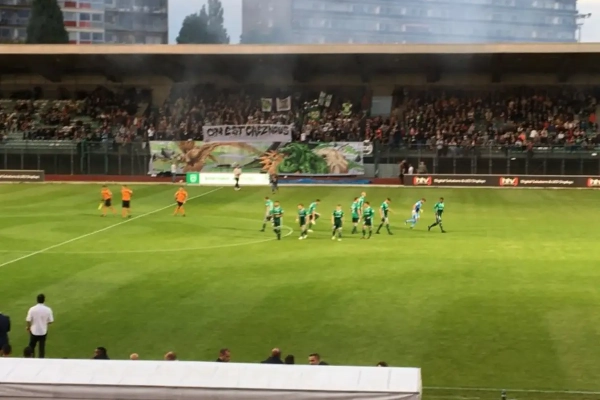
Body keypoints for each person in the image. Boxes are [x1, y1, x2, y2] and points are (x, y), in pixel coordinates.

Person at [26, 294, 54, 359]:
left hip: (34, 331)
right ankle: (41, 360)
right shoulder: (48, 309)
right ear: (44, 300)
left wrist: (28, 327)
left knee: (31, 346)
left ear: (37, 300)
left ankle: (31, 358)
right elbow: (51, 321)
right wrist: (44, 323)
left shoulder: (32, 309)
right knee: (42, 348)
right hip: (43, 331)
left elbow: (28, 320)